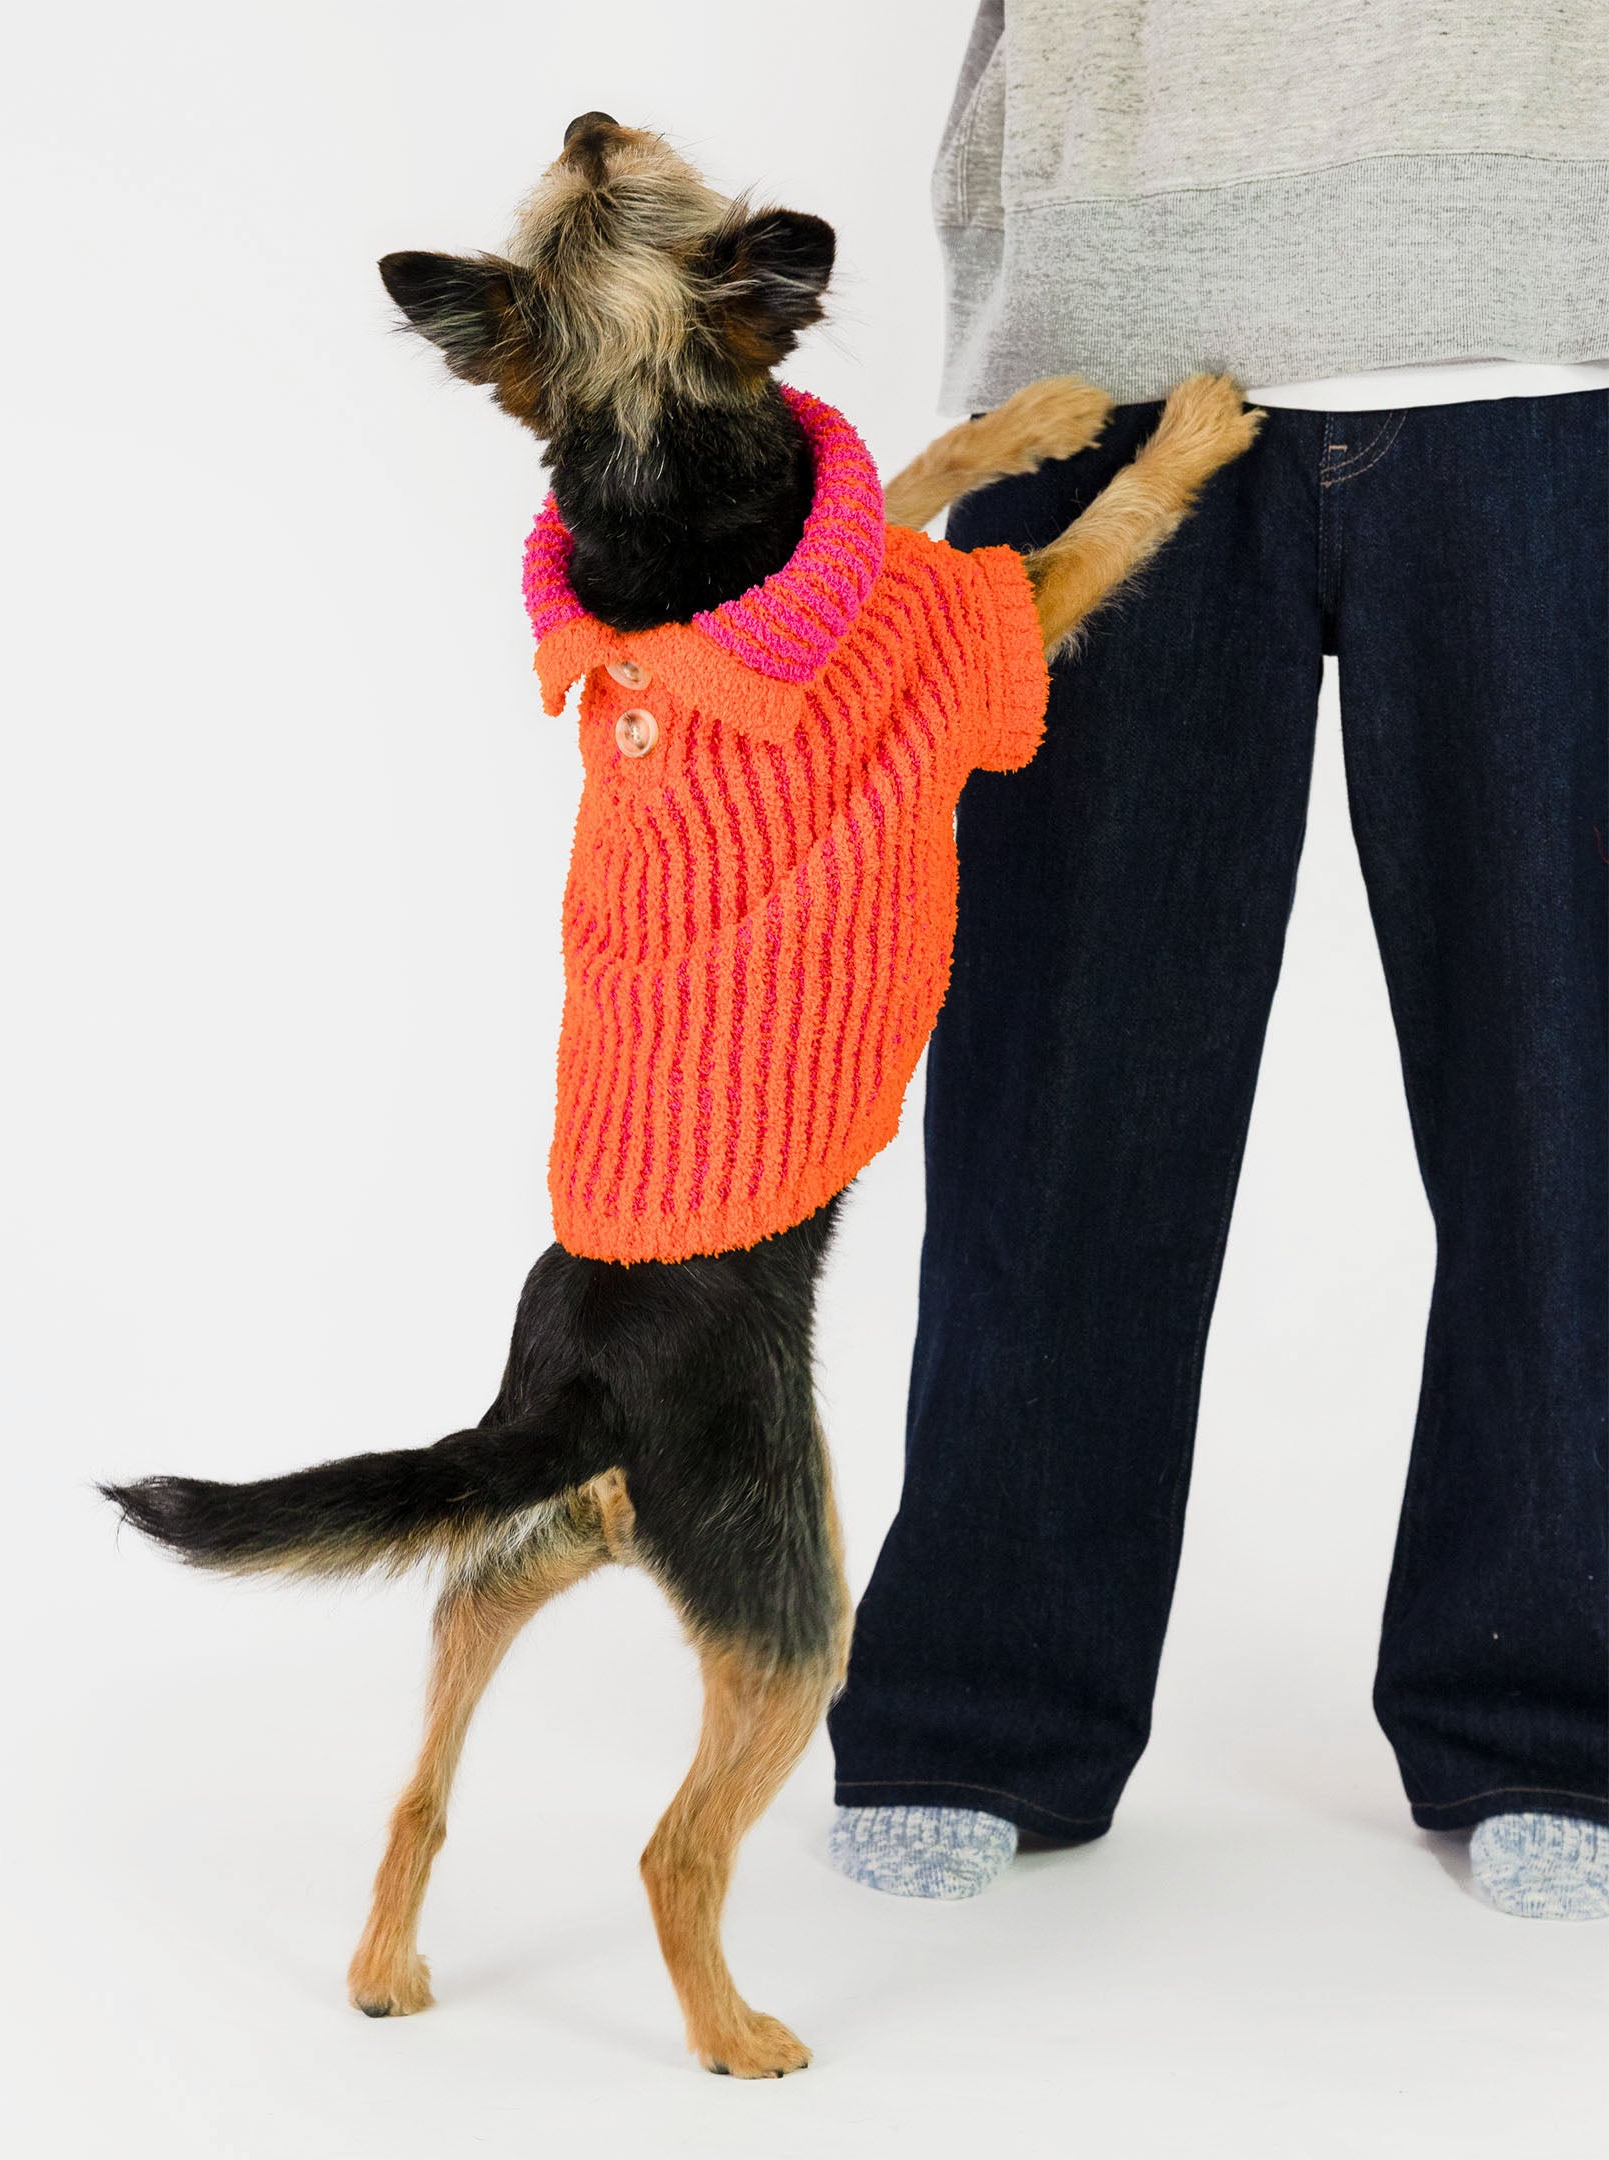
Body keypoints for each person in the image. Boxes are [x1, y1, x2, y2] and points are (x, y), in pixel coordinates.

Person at [827, 0, 1608, 1919]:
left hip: (1546, 291)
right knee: (1060, 1086)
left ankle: (1558, 1709)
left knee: (1563, 1085)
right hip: (1107, 318)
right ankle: (983, 1699)